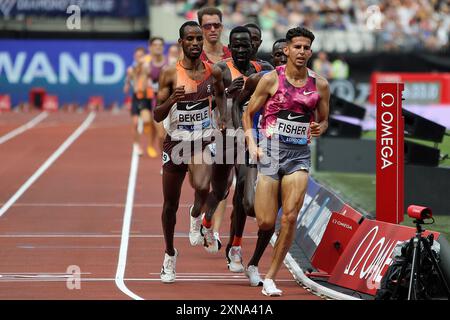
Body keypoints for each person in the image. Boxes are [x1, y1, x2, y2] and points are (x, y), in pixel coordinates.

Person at [242, 27, 330, 296]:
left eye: (306, 48)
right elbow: (248, 113)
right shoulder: (271, 80)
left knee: (290, 217)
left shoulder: (320, 85)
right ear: (288, 50)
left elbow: (324, 119)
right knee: (266, 222)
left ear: (310, 52)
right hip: (270, 153)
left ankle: (270, 277)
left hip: (298, 157)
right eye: (297, 47)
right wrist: (252, 143)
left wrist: (320, 128)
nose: (302, 52)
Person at [153, 21, 224, 283]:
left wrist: (224, 116)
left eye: (198, 39)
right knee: (169, 204)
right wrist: (172, 100)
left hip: (201, 142)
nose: (195, 43)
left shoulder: (213, 72)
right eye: (190, 39)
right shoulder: (169, 75)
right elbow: (157, 115)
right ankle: (169, 254)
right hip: (175, 143)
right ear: (181, 42)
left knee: (203, 186)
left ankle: (196, 215)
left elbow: (220, 97)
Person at [198, 26, 272, 257]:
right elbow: (205, 99)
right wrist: (228, 94)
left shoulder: (265, 70)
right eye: (236, 46)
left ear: (253, 46)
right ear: (230, 47)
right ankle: (207, 220)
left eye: (246, 45)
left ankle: (235, 247)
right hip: (225, 136)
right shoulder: (220, 69)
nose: (241, 50)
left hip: (250, 138)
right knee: (220, 191)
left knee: (244, 196)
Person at [232, 38, 287, 286]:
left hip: (286, 153)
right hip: (256, 148)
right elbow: (239, 106)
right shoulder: (260, 79)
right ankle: (235, 243)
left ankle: (253, 263)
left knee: (270, 217)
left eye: (286, 54)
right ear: (273, 57)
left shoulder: (307, 83)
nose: (283, 59)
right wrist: (245, 135)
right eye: (278, 55)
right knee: (249, 205)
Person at [123, 47, 154, 156]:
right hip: (136, 97)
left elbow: (150, 73)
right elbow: (128, 80)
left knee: (147, 121)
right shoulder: (131, 69)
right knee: (135, 123)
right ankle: (136, 145)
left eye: (141, 56)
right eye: (137, 56)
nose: (139, 57)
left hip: (146, 97)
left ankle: (150, 144)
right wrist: (126, 86)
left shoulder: (147, 67)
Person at [145, 37, 169, 158]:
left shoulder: (169, 62)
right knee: (161, 135)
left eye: (160, 45)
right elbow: (144, 84)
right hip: (156, 103)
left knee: (168, 135)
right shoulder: (146, 65)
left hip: (171, 102)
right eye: (155, 45)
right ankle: (163, 158)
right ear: (150, 48)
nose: (158, 47)